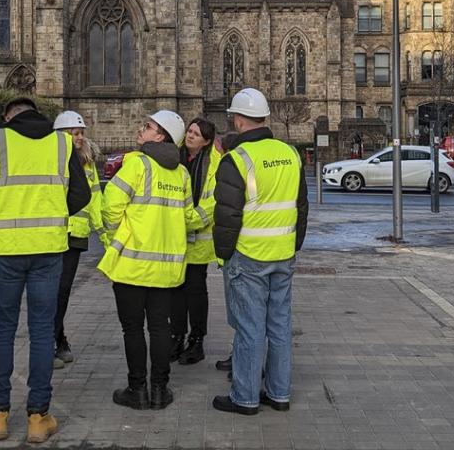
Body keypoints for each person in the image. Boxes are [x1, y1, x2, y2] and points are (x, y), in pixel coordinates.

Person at [0, 98, 91, 444]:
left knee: (2, 330)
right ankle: (38, 417)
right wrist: (54, 213)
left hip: (7, 250)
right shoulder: (62, 143)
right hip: (49, 248)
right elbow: (83, 195)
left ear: (8, 116)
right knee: (43, 331)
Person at [99, 110, 209, 411]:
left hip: (131, 266)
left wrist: (114, 241)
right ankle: (160, 390)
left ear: (160, 136)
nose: (140, 128)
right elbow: (188, 218)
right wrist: (208, 211)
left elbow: (110, 209)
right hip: (167, 269)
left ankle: (137, 390)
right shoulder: (182, 174)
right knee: (160, 327)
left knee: (132, 329)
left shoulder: (135, 165)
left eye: (147, 126)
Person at [211, 88, 309, 416]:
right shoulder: (291, 154)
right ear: (265, 117)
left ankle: (246, 397)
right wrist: (293, 244)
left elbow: (226, 216)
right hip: (283, 253)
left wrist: (224, 256)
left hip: (249, 255)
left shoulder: (236, 159)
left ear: (238, 120)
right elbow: (301, 206)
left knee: (250, 329)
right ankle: (279, 394)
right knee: (279, 326)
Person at [51, 110, 107, 369]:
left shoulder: (87, 162)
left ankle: (57, 339)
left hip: (76, 235)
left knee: (62, 292)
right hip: (53, 234)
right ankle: (55, 341)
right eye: (75, 133)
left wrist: (106, 236)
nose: (80, 137)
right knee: (52, 292)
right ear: (62, 134)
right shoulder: (51, 160)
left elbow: (95, 200)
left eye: (82, 133)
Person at [170, 117, 220, 365]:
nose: (190, 136)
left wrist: (188, 221)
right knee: (175, 292)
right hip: (173, 239)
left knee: (195, 292)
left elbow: (213, 202)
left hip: (198, 239)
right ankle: (176, 337)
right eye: (189, 131)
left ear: (207, 141)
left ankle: (197, 340)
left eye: (197, 134)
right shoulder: (173, 158)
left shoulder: (214, 165)